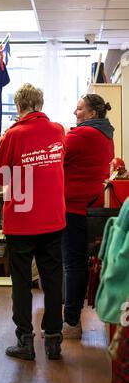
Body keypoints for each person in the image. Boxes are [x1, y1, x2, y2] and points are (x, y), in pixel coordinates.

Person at [0, 83, 66, 360]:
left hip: (22, 221)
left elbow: (1, 178)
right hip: (53, 218)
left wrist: (4, 147)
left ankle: (25, 340)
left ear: (19, 107)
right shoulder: (59, 130)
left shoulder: (13, 135)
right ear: (41, 104)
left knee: (22, 282)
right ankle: (53, 340)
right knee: (52, 279)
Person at [62, 94, 115, 339]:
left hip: (74, 208)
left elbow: (55, 161)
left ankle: (71, 323)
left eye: (80, 108)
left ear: (93, 113)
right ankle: (79, 320)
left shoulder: (80, 135)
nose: (76, 112)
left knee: (73, 266)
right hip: (94, 208)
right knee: (84, 265)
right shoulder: (106, 135)